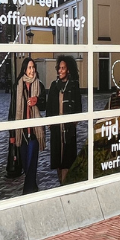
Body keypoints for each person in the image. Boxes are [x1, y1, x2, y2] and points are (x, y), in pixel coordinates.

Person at [8, 57, 46, 194]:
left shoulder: (39, 85)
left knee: (32, 162)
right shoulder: (17, 86)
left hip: (35, 132)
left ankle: (27, 192)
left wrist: (37, 101)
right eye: (29, 68)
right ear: (24, 69)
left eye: (33, 67)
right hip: (21, 132)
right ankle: (33, 186)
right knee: (26, 163)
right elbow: (12, 111)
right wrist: (12, 134)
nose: (32, 70)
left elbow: (44, 105)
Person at [46, 56, 82, 184]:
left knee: (67, 157)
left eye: (63, 68)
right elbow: (49, 106)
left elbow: (78, 106)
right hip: (56, 128)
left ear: (68, 70)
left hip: (68, 128)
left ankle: (65, 183)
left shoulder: (73, 85)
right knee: (58, 158)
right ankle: (61, 180)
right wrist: (50, 123)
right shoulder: (54, 86)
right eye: (59, 68)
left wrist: (74, 122)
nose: (60, 71)